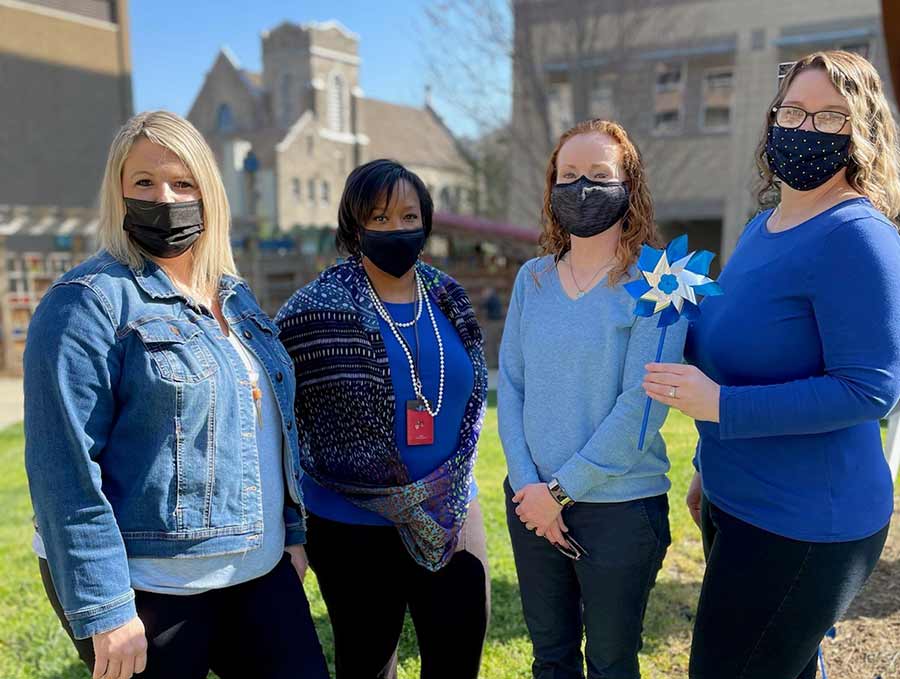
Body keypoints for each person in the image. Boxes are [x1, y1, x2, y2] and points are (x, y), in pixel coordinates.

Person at [24, 111, 329, 679]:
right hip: (150, 588)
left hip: (257, 574)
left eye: (183, 182)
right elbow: (61, 470)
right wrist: (106, 610)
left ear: (209, 193)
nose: (165, 197)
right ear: (118, 193)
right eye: (144, 182)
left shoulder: (235, 298)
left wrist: (290, 534)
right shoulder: (86, 304)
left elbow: (268, 429)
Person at [642, 50, 900, 679]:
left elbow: (870, 391)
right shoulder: (764, 226)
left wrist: (722, 408)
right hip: (738, 501)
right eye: (793, 111)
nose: (804, 128)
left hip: (808, 524)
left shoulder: (857, 237)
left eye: (829, 117)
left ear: (861, 134)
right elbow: (735, 340)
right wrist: (709, 462)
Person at [276, 158, 490, 679]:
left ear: (426, 223)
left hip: (452, 509)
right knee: (368, 663)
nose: (397, 229)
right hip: (351, 523)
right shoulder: (310, 312)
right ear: (354, 225)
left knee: (458, 655)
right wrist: (288, 528)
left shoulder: (448, 296)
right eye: (379, 218)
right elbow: (277, 421)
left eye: (408, 216)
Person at [498, 118, 687, 679]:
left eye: (599, 175)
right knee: (550, 660)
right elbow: (510, 384)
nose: (582, 188)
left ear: (629, 185)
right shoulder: (531, 279)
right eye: (569, 175)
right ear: (552, 188)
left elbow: (644, 407)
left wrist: (560, 491)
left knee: (610, 662)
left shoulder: (661, 280)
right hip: (531, 505)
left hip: (620, 510)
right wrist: (529, 485)